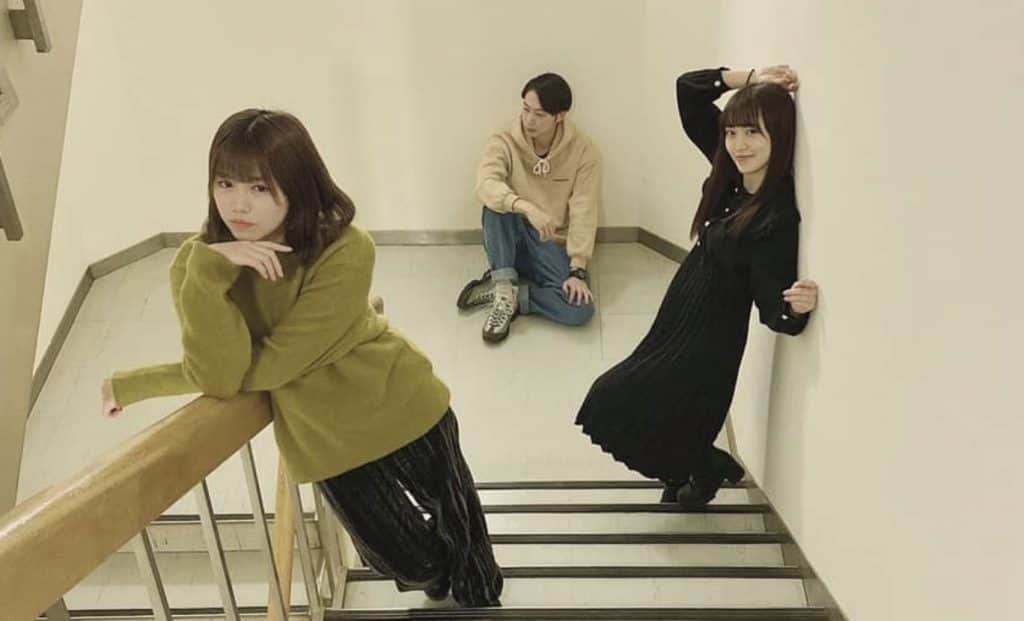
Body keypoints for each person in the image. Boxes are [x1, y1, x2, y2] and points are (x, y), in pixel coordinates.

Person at [100, 109, 503, 607]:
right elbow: (219, 376)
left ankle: (482, 602)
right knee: (406, 561)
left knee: (461, 524)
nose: (238, 203)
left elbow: (274, 365)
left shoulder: (346, 249)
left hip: (399, 402)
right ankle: (441, 583)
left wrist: (139, 383)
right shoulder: (198, 266)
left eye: (259, 187)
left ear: (296, 185)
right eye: (225, 183)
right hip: (325, 442)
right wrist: (208, 272)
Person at [575, 66, 819, 507]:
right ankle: (696, 469)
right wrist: (750, 78)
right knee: (663, 409)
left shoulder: (776, 216)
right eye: (732, 132)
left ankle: (704, 466)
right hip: (680, 313)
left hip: (712, 336)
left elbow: (774, 311)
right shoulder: (730, 171)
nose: (739, 145)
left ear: (780, 137)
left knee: (616, 398)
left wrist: (798, 306)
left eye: (753, 133)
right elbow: (688, 90)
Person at [458, 72, 602, 342]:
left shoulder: (584, 151)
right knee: (496, 205)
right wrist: (525, 206)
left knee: (580, 310)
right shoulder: (503, 141)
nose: (529, 120)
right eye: (525, 109)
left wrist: (578, 270)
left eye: (539, 114)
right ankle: (504, 286)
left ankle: (513, 296)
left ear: (560, 116)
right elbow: (486, 184)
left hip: (549, 242)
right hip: (510, 237)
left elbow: (584, 209)